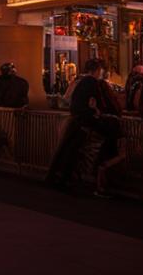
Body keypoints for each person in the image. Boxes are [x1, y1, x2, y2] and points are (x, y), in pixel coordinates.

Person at [46, 58, 122, 195]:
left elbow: (71, 101)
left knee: (68, 150)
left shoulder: (79, 83)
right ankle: (68, 178)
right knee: (73, 151)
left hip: (76, 120)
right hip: (85, 122)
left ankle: (59, 178)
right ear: (97, 70)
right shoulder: (93, 83)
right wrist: (96, 113)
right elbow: (94, 103)